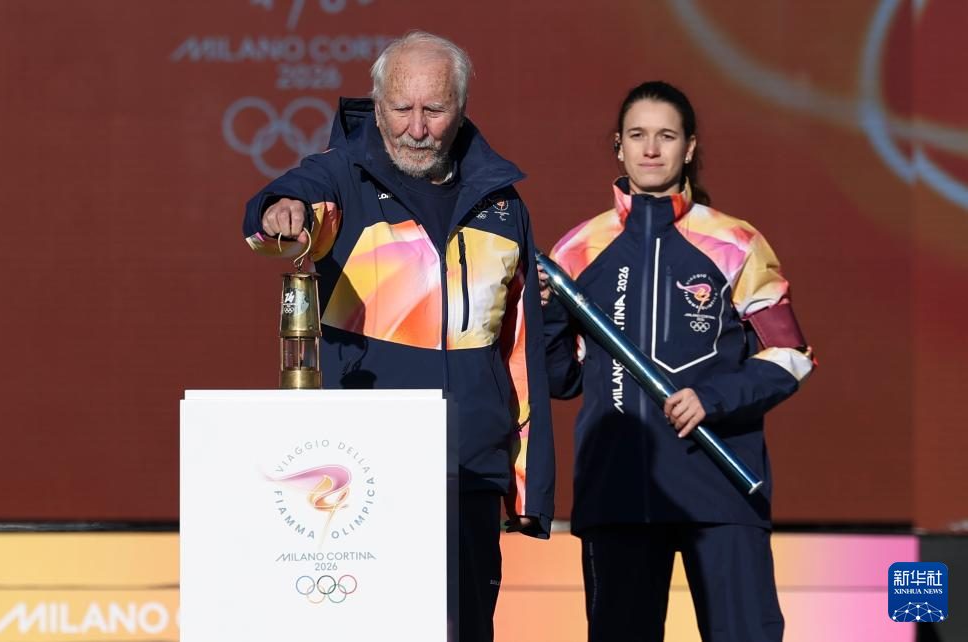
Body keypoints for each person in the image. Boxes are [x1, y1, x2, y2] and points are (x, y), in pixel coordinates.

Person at [242, 31, 555, 642]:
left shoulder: (502, 203)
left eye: (433, 109)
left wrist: (528, 485)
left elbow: (519, 351)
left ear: (460, 108)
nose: (416, 128)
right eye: (400, 108)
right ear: (377, 104)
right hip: (366, 472)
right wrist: (281, 210)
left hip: (469, 466)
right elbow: (282, 206)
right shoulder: (341, 177)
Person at [541, 81, 815, 642]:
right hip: (618, 492)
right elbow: (562, 379)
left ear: (688, 148)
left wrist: (712, 399)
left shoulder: (735, 241)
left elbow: (790, 354)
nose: (650, 149)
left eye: (665, 136)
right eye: (637, 135)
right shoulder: (578, 249)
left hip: (719, 483)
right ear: (618, 146)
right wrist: (545, 316)